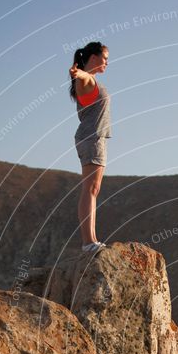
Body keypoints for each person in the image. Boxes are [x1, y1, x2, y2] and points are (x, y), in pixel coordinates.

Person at [69, 41, 111, 253]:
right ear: (93, 57)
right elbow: (83, 76)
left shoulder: (90, 80)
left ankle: (92, 239)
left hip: (95, 138)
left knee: (93, 189)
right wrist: (80, 73)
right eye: (105, 58)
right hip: (91, 138)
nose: (107, 63)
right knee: (90, 189)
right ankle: (88, 242)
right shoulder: (86, 79)